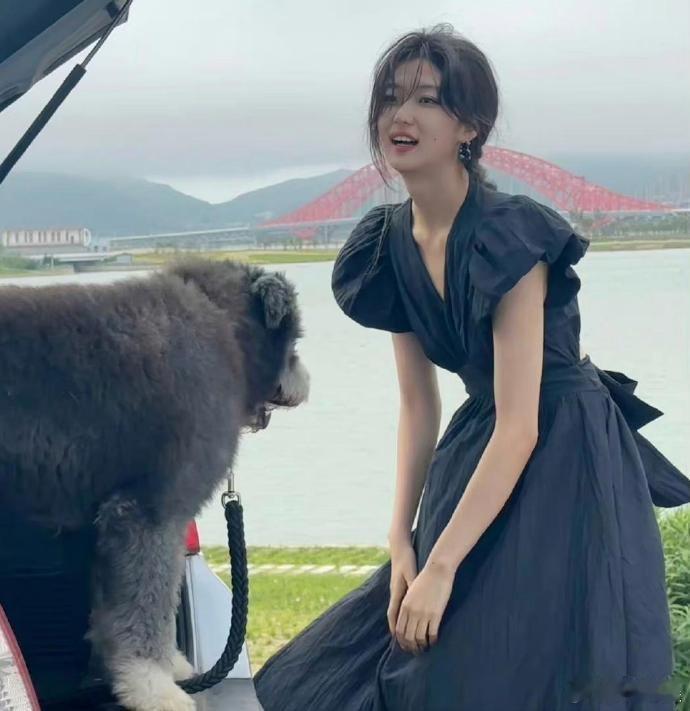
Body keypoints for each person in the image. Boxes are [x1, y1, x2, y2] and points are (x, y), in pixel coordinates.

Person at [254, 24, 690, 710]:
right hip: (479, 443)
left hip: (564, 449)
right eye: (391, 97)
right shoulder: (386, 247)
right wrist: (403, 539)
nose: (401, 115)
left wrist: (441, 565)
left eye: (427, 99)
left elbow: (522, 424)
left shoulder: (510, 233)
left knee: (505, 665)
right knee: (381, 656)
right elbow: (417, 404)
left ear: (470, 126)